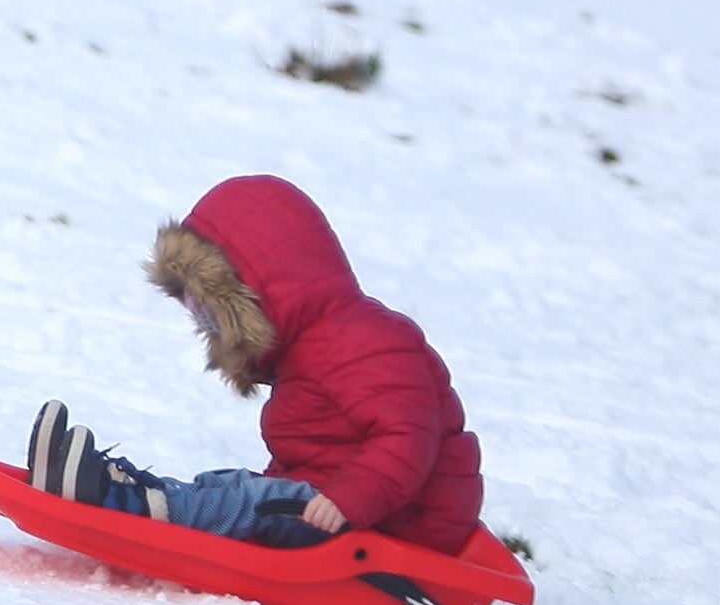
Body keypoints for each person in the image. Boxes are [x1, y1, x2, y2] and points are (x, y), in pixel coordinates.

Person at [24, 175, 484, 553]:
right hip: (347, 502)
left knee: (254, 500)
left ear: (257, 292)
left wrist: (350, 499)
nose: (203, 321)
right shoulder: (310, 347)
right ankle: (117, 490)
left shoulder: (365, 340)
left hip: (396, 521)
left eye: (210, 309)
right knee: (228, 486)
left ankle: (129, 505)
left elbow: (408, 436)